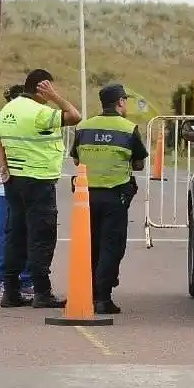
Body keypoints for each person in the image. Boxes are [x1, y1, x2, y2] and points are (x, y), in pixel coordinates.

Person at [0, 69, 82, 308]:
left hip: (14, 181)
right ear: (42, 87)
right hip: (39, 180)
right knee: (41, 237)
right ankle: (42, 292)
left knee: (16, 235)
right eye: (49, 88)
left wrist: (4, 169)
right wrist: (55, 97)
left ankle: (10, 291)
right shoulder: (40, 112)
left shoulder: (8, 109)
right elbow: (74, 116)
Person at [69, 83, 149, 314]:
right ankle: (102, 298)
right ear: (121, 102)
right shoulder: (128, 128)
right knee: (111, 247)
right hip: (115, 196)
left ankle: (87, 292)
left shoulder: (84, 127)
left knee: (89, 245)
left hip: (85, 198)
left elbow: (76, 159)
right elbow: (139, 163)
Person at [0, 84, 33, 298]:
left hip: (30, 185)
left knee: (28, 235)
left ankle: (25, 279)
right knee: (4, 236)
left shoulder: (35, 120)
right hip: (5, 189)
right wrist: (5, 163)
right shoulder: (6, 121)